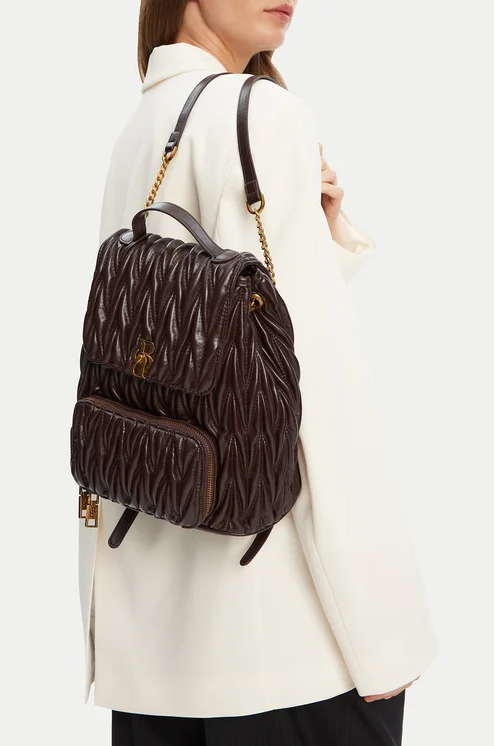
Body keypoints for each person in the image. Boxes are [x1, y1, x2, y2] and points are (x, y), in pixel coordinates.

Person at [77, 1, 440, 743]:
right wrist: (381, 633)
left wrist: (316, 236)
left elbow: (189, 349)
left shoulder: (142, 124)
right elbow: (317, 397)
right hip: (281, 649)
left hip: (151, 660)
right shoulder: (263, 114)